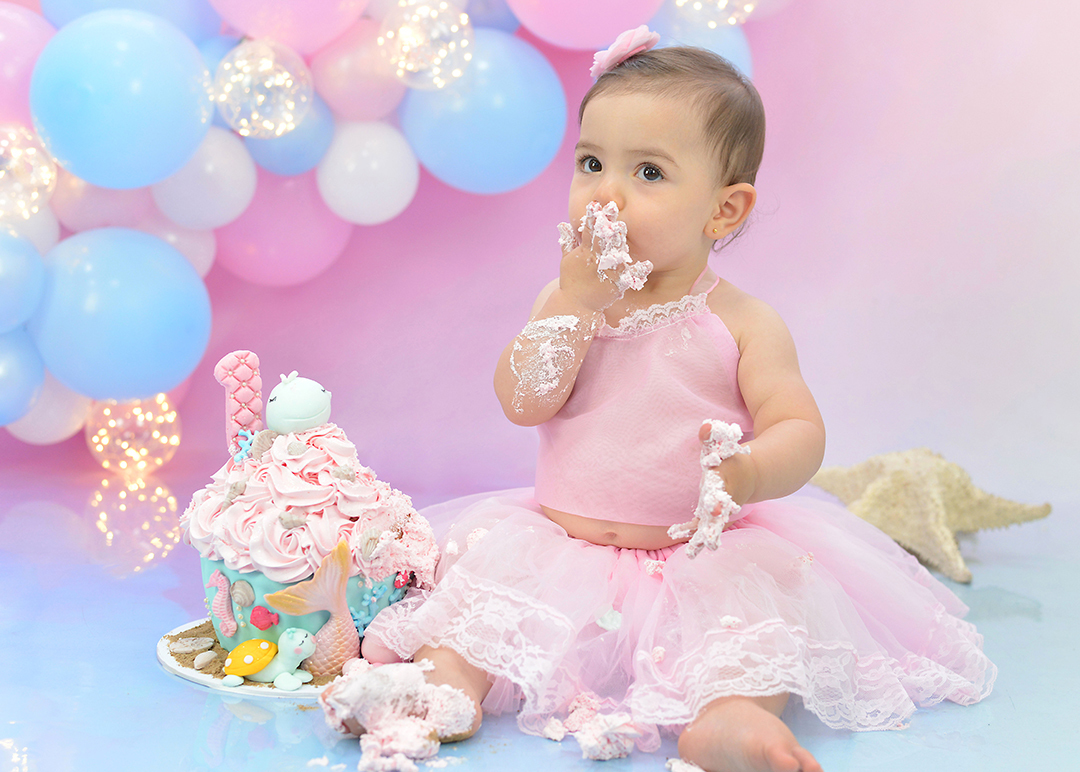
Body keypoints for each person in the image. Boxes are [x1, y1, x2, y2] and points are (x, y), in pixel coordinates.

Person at [346, 27, 996, 772]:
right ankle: (444, 687)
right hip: (561, 549)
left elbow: (798, 424)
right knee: (478, 614)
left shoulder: (742, 322)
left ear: (724, 210)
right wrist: (575, 308)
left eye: (649, 172)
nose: (606, 193)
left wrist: (753, 471)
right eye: (591, 163)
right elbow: (524, 401)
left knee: (748, 637)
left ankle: (731, 718)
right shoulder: (564, 300)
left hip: (699, 555)